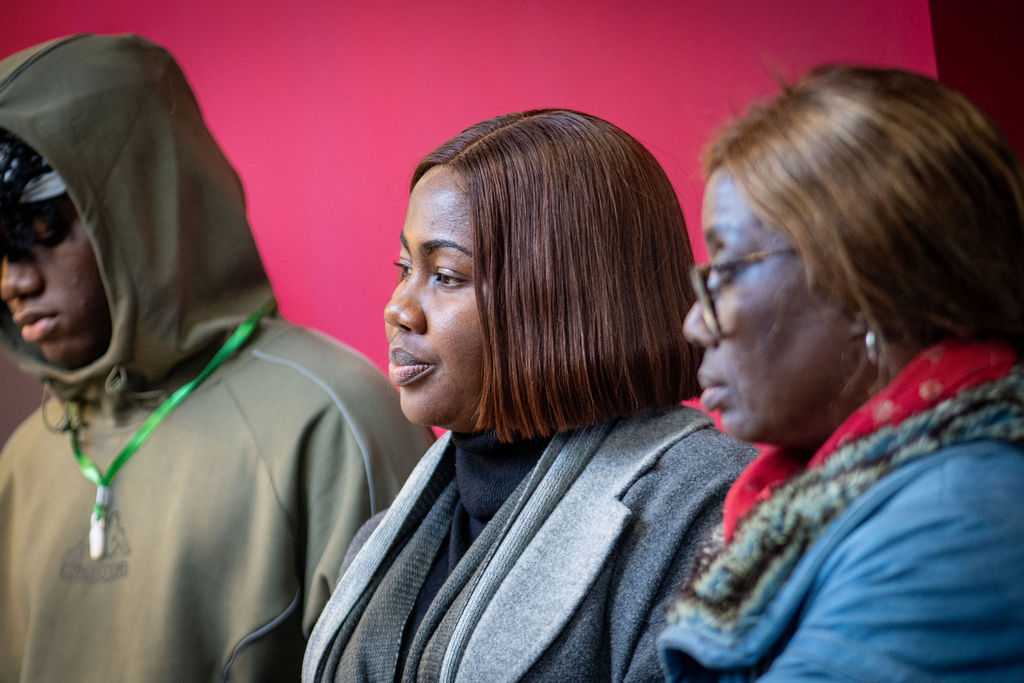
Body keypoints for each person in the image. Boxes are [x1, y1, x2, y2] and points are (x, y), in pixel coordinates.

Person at [0, 34, 430, 682]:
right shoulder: (25, 458)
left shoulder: (336, 417)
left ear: (141, 206)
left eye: (44, 230)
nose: (14, 282)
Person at [302, 109, 754, 683]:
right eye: (404, 266)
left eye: (445, 275)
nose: (399, 308)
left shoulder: (712, 510)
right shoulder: (382, 542)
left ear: (565, 296)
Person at [658, 65, 1024, 680]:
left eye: (723, 270)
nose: (696, 322)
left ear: (865, 285)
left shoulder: (953, 524)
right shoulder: (851, 485)